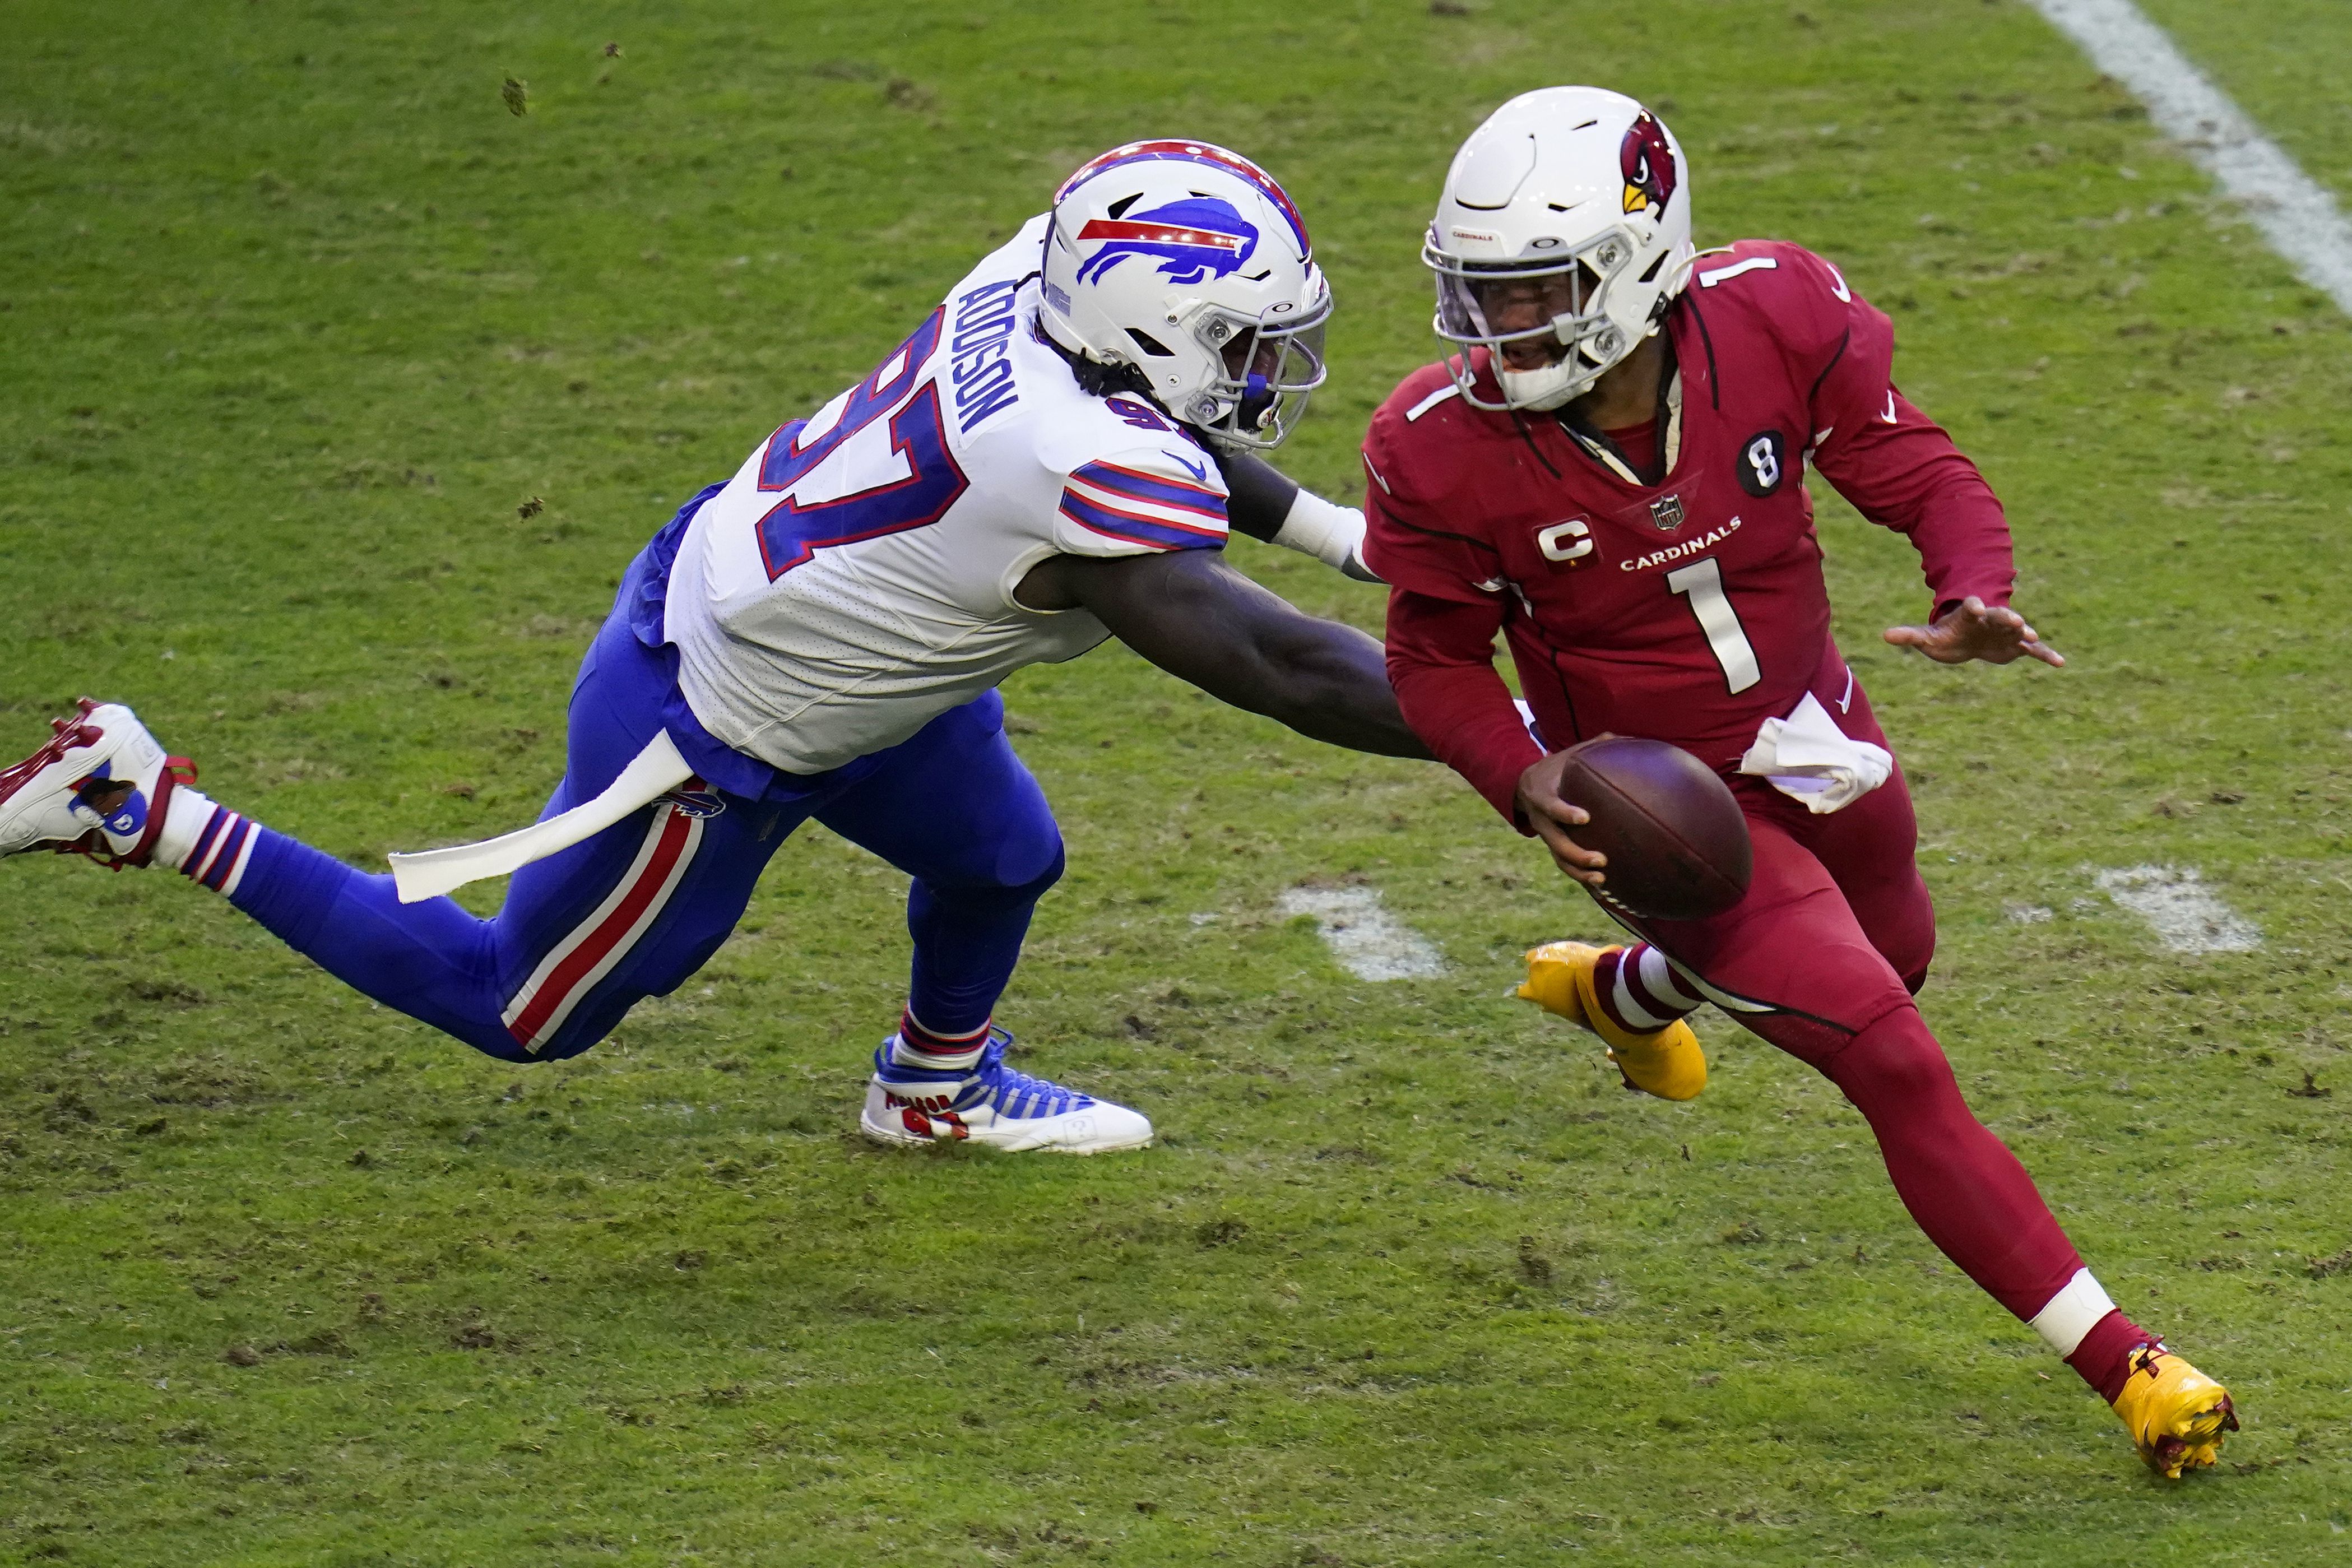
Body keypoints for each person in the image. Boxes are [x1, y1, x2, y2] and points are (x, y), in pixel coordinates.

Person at [1, 139, 1423, 1156]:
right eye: (1241, 343)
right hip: (719, 729)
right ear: (1150, 323)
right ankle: (140, 805)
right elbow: (1278, 667)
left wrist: (1353, 541)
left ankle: (933, 1088)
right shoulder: (1068, 456)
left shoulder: (1036, 282)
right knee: (515, 1010)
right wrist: (1512, 742)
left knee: (1002, 858)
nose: (1259, 376)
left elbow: (1161, 438)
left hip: (831, 624)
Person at [1361, 87, 2235, 1478]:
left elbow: (1909, 459)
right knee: (1890, 1055)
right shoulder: (1438, 444)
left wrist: (1972, 588)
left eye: (1532, 292)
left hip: (1813, 725)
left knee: (1901, 952)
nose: (1494, 330)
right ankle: (2123, 1358)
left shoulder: (1771, 311)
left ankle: (1621, 991)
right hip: (1663, 804)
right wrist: (1524, 780)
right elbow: (1433, 658)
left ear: (1638, 264)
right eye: (1477, 295)